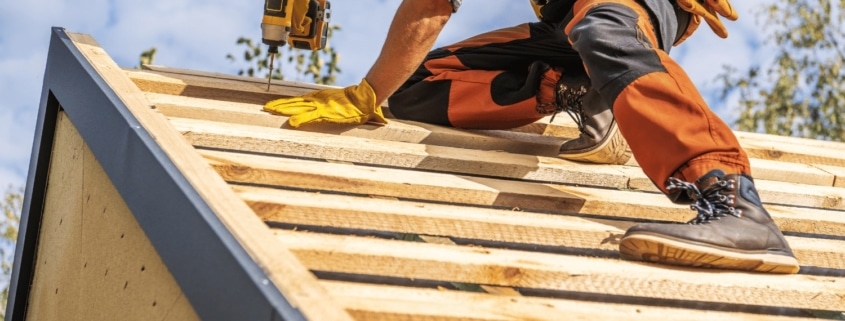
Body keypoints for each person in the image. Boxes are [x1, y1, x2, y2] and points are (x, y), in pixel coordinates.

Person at [263, 0, 801, 274]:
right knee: (416, 86)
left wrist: (364, 93)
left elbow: (430, 7)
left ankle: (729, 198)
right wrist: (379, 92)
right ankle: (580, 92)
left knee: (603, 30)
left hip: (622, 5)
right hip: (565, 23)